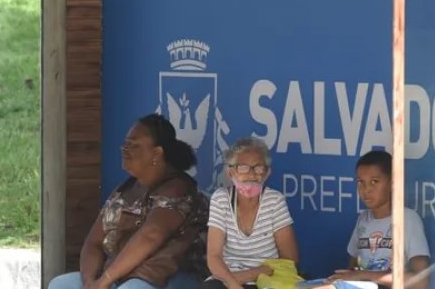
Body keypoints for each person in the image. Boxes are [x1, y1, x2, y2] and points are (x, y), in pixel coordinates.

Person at [48, 113, 209, 289]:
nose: (125, 149)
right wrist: (89, 282)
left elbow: (151, 235)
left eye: (133, 145)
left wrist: (105, 280)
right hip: (120, 276)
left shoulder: (177, 188)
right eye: (125, 144)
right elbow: (93, 242)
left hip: (168, 278)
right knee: (60, 285)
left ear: (157, 153)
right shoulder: (126, 189)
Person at [318, 151, 430, 289]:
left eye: (374, 182)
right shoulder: (363, 219)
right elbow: (352, 269)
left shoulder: (407, 219)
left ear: (392, 183)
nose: (367, 189)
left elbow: (421, 281)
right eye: (361, 182)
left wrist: (366, 275)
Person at [203, 137, 298, 289]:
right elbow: (214, 257)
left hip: (266, 280)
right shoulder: (221, 199)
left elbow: (290, 259)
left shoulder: (275, 201)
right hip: (227, 279)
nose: (252, 175)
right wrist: (235, 284)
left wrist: (252, 274)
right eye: (243, 168)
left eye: (259, 168)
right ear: (230, 172)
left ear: (267, 173)